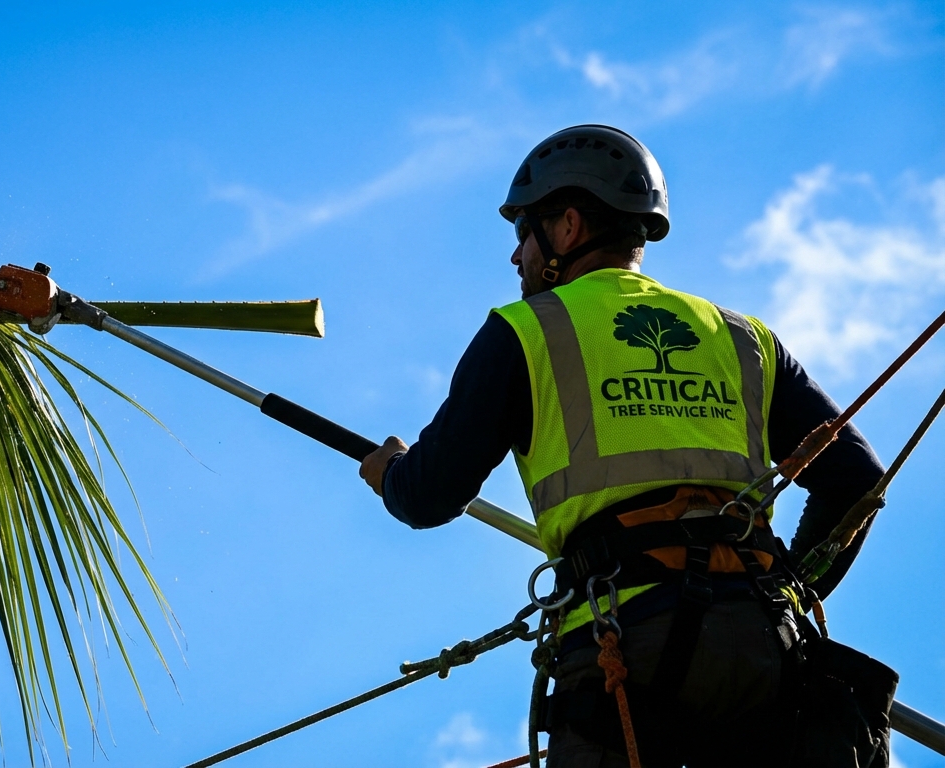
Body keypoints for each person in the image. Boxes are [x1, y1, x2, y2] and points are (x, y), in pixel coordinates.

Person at [357, 125, 887, 767]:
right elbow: (855, 479)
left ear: (569, 226)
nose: (517, 256)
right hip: (764, 643)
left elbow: (430, 494)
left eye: (524, 233)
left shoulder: (524, 332)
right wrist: (792, 588)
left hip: (629, 643)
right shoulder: (743, 338)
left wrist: (391, 474)